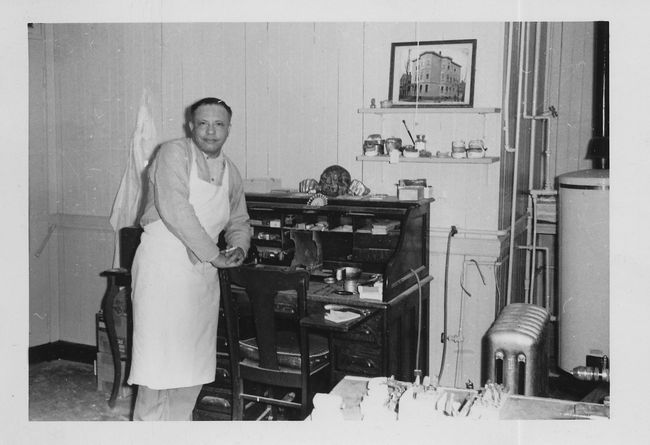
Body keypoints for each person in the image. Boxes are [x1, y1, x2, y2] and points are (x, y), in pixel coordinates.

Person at [127, 97, 250, 421]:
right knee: (157, 365)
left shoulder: (231, 172)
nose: (211, 131)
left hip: (200, 276)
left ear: (228, 129)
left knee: (191, 367)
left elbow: (239, 221)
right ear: (191, 126)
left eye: (219, 124)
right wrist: (214, 255)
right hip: (162, 267)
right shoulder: (173, 154)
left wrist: (238, 248)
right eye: (203, 123)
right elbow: (176, 211)